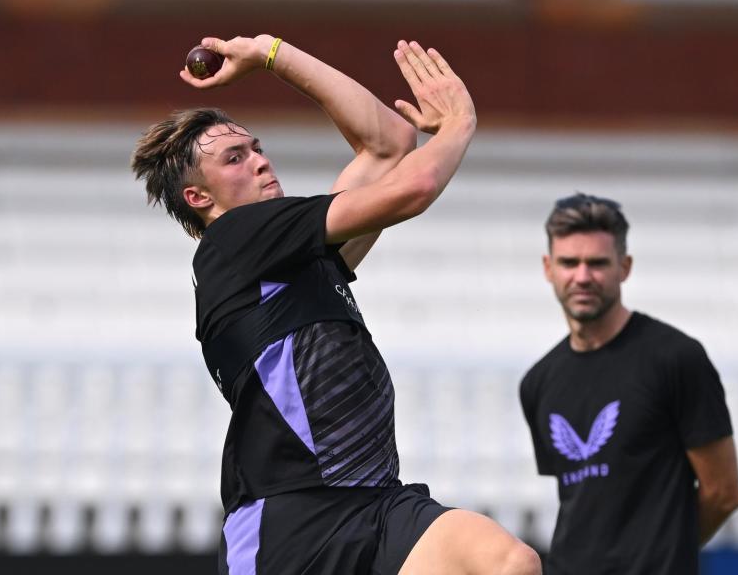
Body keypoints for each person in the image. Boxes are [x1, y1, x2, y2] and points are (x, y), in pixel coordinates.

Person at [131, 34, 541, 575]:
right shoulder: (234, 238)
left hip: (377, 501)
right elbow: (413, 185)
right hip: (293, 521)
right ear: (199, 199)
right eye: (235, 158)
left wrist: (270, 53)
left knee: (508, 563)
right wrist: (460, 123)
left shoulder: (291, 258)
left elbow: (392, 145)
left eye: (256, 147)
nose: (258, 160)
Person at [519, 193, 738, 574]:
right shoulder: (538, 382)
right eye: (570, 262)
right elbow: (582, 499)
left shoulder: (676, 358)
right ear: (548, 268)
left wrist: (664, 556)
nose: (583, 276)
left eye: (598, 263)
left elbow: (723, 494)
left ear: (625, 267)